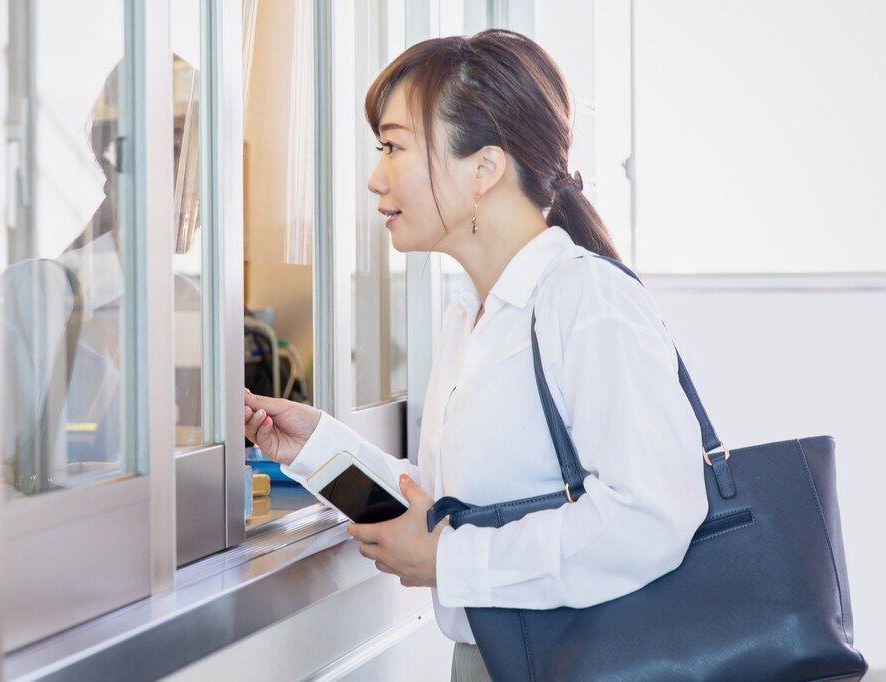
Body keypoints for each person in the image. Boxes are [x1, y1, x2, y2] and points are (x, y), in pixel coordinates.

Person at [242, 29, 707, 681]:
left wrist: (453, 563)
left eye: (395, 147)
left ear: (484, 169)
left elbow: (652, 517)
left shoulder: (586, 301)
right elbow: (441, 510)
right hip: (491, 658)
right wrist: (316, 449)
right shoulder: (469, 314)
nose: (376, 177)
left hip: (580, 659)